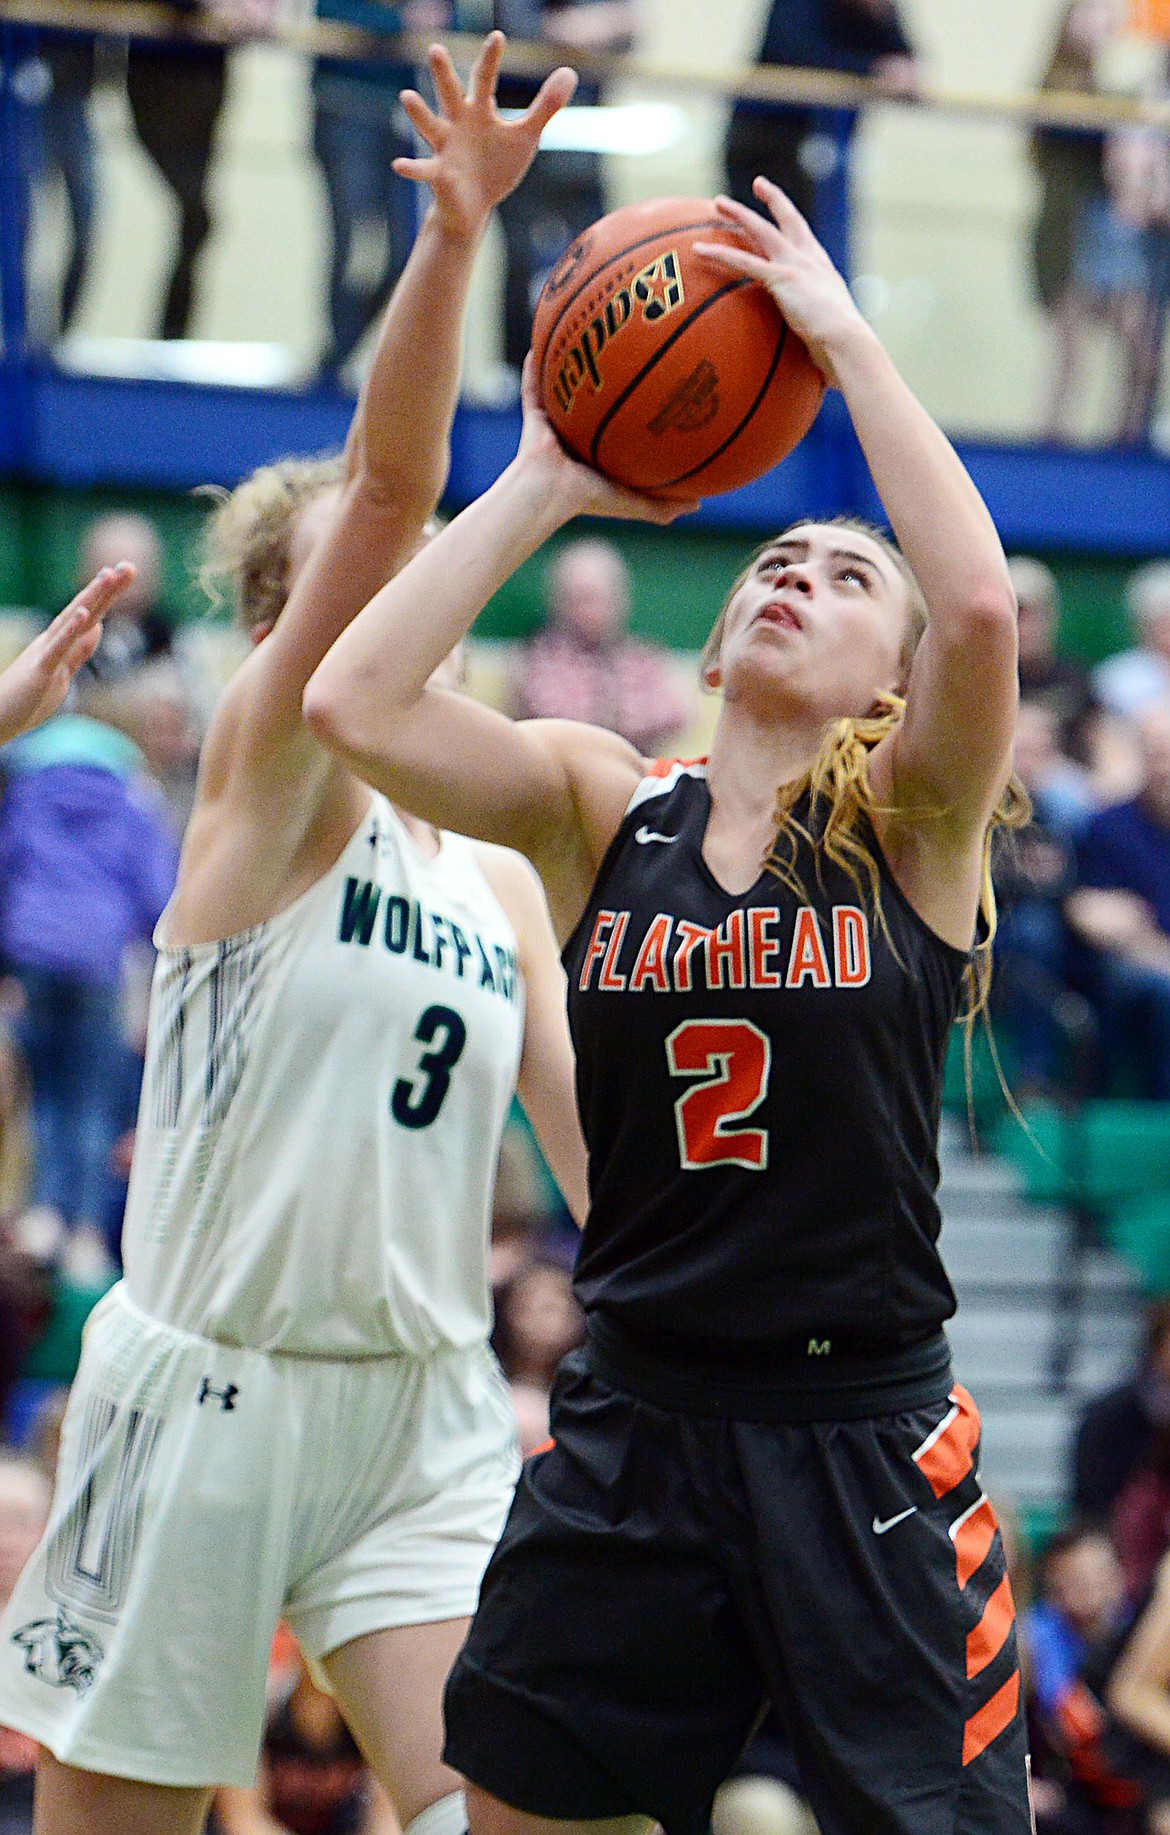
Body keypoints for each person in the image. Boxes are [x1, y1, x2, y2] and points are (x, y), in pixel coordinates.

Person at [305, 174, 1033, 1835]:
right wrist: (547, 478)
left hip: (859, 1427)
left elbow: (981, 602)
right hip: (638, 1408)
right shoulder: (594, 805)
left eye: (851, 581)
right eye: (776, 560)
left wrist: (842, 340)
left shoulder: (914, 834)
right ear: (708, 648)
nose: (799, 578)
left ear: (897, 684)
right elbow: (352, 696)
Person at [0, 34, 581, 1835]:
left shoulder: (495, 881)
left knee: (518, 1806)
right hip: (207, 1388)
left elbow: (605, 1164)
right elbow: (397, 498)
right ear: (287, 633)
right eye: (366, 586)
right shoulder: (270, 780)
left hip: (422, 1404)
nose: (415, 601)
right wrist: (458, 248)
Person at [723, 0, 919, 236]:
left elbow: (903, 60)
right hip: (766, 142)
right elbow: (794, 57)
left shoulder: (876, 9)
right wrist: (871, 69)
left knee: (823, 243)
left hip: (827, 148)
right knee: (762, 239)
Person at [1066, 700, 1170, 1098]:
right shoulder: (1108, 827)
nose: (1164, 766)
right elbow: (1100, 920)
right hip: (1127, 973)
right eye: (1156, 754)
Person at [507, 538, 692, 755]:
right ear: (558, 602)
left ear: (619, 600)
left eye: (595, 599)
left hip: (634, 778)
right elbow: (556, 719)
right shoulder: (539, 660)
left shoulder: (642, 658)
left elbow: (679, 715)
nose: (587, 611)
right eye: (579, 599)